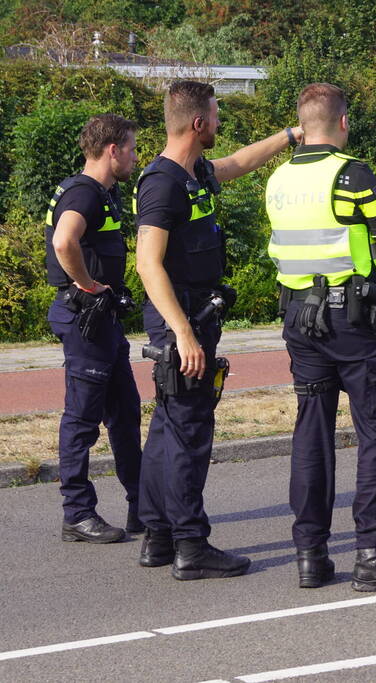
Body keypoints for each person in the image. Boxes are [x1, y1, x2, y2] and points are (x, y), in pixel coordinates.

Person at [264, 82, 376, 591]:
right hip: (354, 323)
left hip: (299, 317)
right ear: (343, 122)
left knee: (311, 430)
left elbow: (326, 230)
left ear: (301, 122)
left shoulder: (278, 178)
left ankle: (311, 553)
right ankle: (374, 553)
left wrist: (375, 213)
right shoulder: (353, 172)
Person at [134, 80, 301, 580]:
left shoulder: (195, 173)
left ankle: (158, 535)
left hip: (195, 318)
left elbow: (238, 163)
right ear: (199, 123)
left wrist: (289, 136)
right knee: (189, 433)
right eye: (217, 114)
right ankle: (191, 545)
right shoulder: (161, 182)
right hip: (181, 323)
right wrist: (182, 333)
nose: (221, 122)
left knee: (168, 427)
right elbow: (147, 263)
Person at [46, 114, 142, 544]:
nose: (135, 157)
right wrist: (89, 284)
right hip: (85, 319)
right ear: (113, 150)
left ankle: (143, 504)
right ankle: (77, 514)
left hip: (102, 323)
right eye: (133, 149)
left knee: (125, 413)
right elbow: (63, 242)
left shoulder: (100, 191)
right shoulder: (85, 192)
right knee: (83, 420)